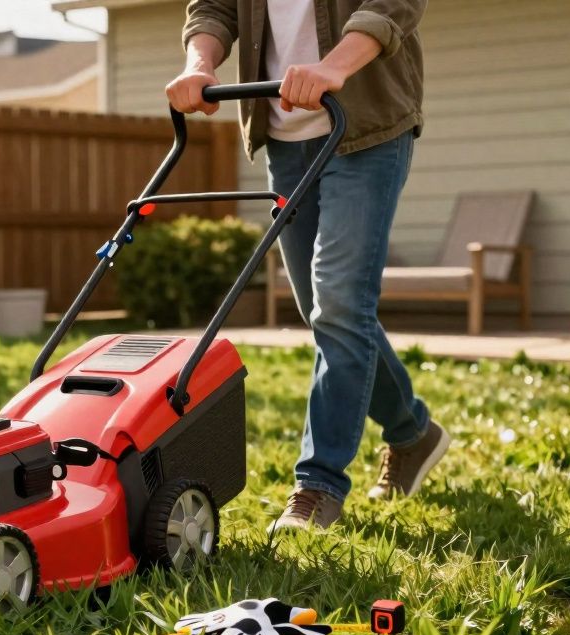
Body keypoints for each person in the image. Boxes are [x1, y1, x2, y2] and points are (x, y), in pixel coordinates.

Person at [166, 0, 449, 531]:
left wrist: (334, 65)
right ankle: (413, 432)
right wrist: (199, 63)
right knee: (329, 311)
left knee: (339, 305)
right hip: (285, 137)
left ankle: (318, 485)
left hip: (365, 128)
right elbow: (216, 8)